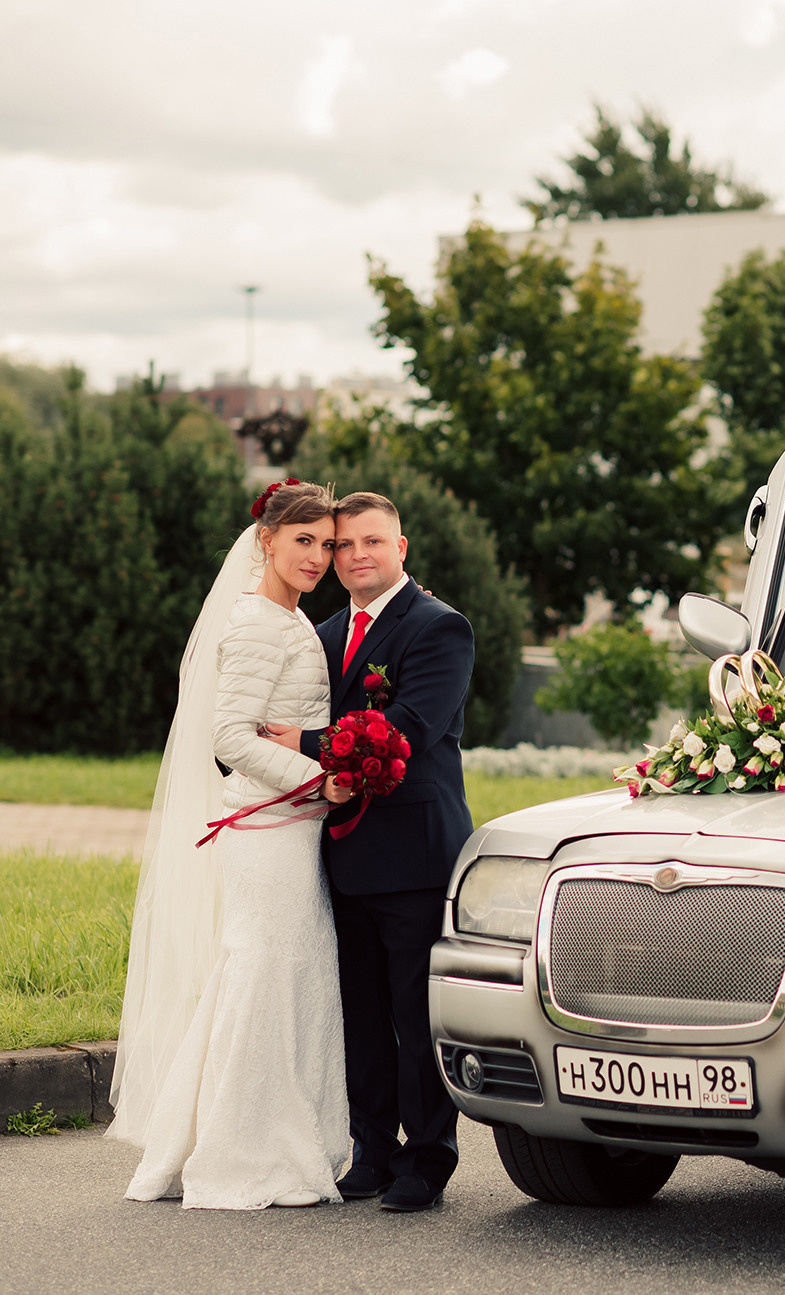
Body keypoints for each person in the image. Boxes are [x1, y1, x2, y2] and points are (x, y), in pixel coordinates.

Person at [111, 480, 356, 1210]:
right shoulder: (255, 623)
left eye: (326, 544)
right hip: (268, 829)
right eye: (303, 541)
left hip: (291, 828)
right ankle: (238, 1149)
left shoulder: (290, 617)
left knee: (279, 974)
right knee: (265, 973)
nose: (317, 557)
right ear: (267, 541)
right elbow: (229, 737)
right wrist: (320, 780)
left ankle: (246, 1133)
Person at [266, 491, 475, 1214]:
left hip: (414, 854)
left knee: (415, 1017)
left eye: (372, 541)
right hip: (340, 852)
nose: (356, 555)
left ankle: (428, 1158)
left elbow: (408, 728)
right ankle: (373, 1151)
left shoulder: (439, 627)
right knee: (359, 1014)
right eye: (343, 544)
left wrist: (302, 744)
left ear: (401, 547)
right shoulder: (321, 634)